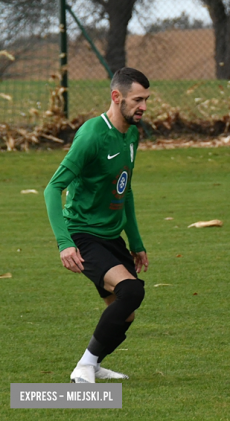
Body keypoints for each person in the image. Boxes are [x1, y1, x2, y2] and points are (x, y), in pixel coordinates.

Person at [44, 67, 151, 384]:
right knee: (131, 291)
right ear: (116, 97)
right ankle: (84, 366)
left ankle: (92, 364)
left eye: (146, 99)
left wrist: (136, 242)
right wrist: (65, 243)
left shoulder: (132, 133)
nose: (143, 106)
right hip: (84, 234)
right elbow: (53, 188)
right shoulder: (91, 135)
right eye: (138, 99)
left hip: (111, 236)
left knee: (124, 314)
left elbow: (125, 188)